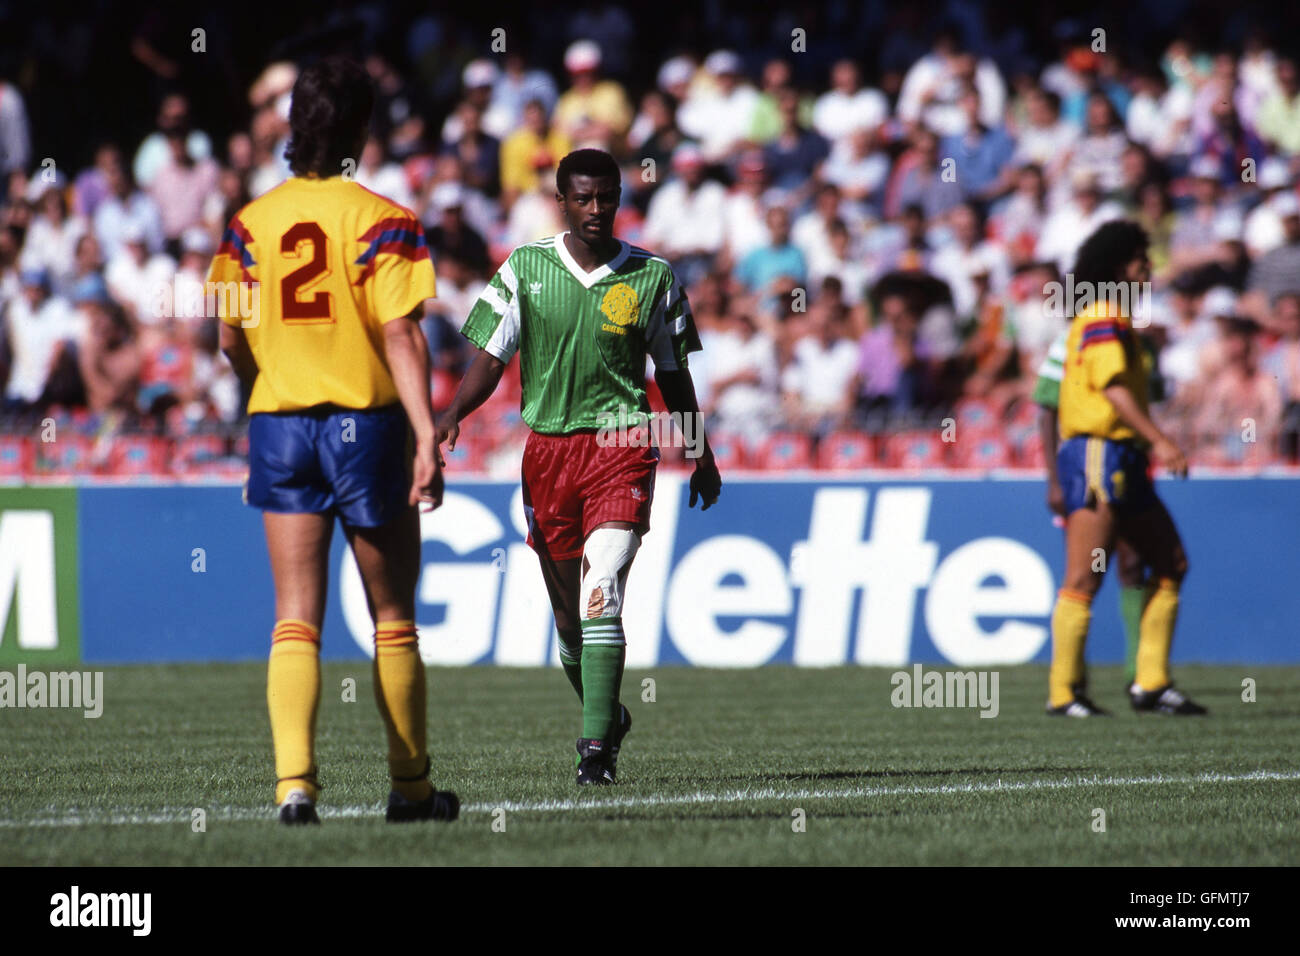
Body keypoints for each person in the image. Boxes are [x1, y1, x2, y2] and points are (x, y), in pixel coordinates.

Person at [208, 57, 458, 825]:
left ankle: (294, 787)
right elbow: (402, 337)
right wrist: (426, 435)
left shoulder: (250, 222)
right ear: (361, 128)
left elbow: (225, 337)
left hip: (281, 424)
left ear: (293, 129)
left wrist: (267, 372)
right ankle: (411, 789)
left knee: (294, 617)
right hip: (367, 427)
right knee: (393, 617)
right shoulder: (386, 219)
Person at [436, 148, 721, 785]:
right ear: (562, 202)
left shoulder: (653, 278)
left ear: (620, 199)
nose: (597, 210)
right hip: (547, 455)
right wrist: (452, 411)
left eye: (608, 197)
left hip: (622, 445)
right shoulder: (524, 268)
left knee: (603, 593)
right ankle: (608, 712)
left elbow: (673, 378)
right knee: (568, 624)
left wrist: (700, 454)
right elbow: (489, 359)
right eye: (584, 199)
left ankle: (595, 752)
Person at [1047, 221, 1206, 717]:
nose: (1148, 266)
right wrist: (1161, 439)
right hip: (1100, 453)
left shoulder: (1115, 319)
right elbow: (1113, 389)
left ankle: (1151, 683)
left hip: (1124, 457)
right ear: (1118, 265)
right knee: (1084, 575)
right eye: (1140, 257)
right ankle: (1063, 692)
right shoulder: (1103, 314)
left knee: (1170, 561)